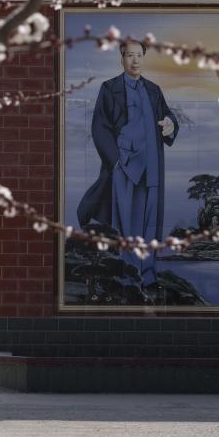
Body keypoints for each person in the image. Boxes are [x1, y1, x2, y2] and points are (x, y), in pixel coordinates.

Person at [77, 40, 179, 292]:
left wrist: (170, 124)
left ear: (143, 58)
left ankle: (149, 274)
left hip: (152, 166)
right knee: (125, 222)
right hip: (124, 167)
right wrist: (115, 162)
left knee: (150, 221)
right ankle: (128, 273)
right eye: (129, 55)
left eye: (139, 55)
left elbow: (167, 116)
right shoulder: (109, 88)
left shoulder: (154, 90)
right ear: (121, 59)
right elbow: (99, 127)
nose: (135, 60)